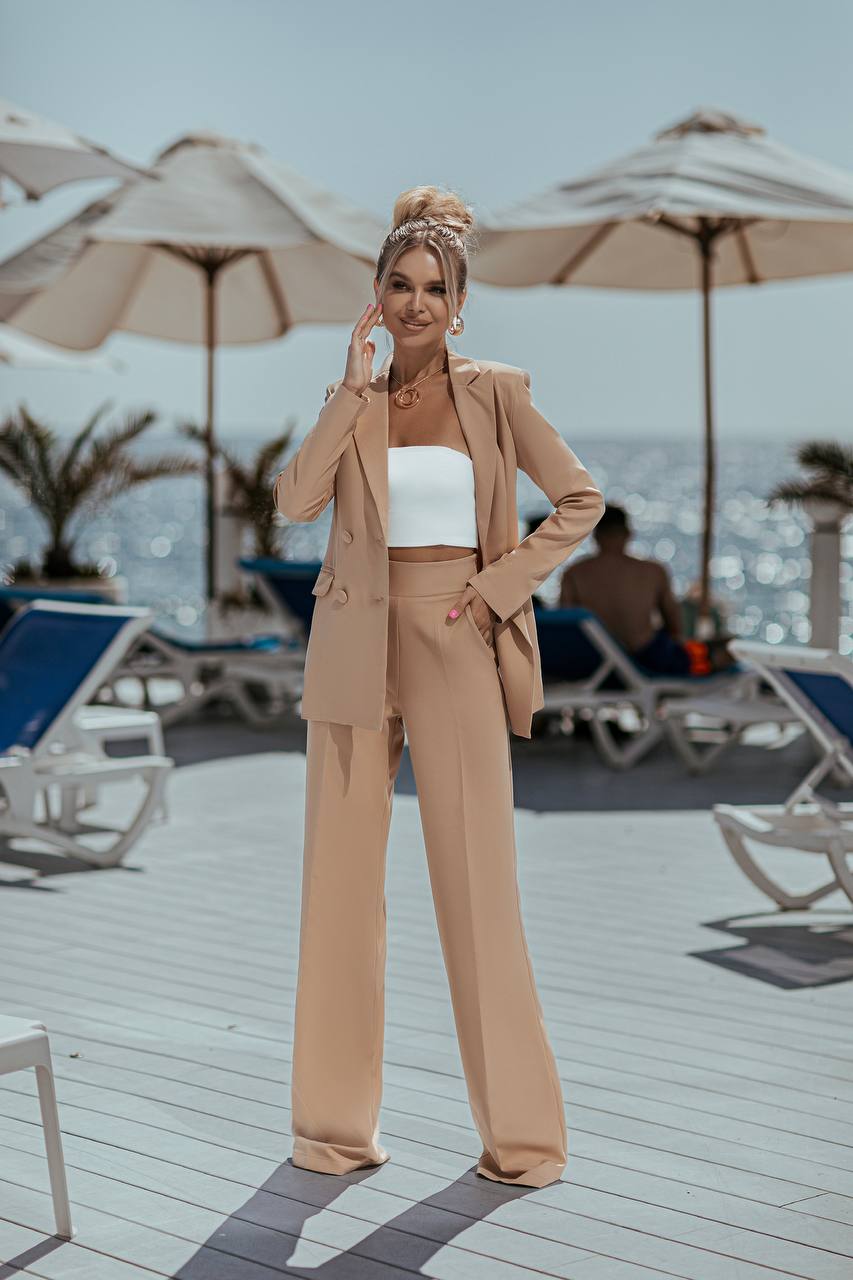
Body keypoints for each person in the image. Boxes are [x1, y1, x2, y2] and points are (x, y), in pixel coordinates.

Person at [273, 185, 605, 1188]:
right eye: (398, 284)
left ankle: (520, 1140)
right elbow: (295, 503)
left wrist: (495, 591)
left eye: (435, 287)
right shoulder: (361, 400)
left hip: (457, 636)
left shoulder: (495, 391)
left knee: (477, 891)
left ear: (460, 303)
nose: (416, 301)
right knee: (338, 891)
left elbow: (579, 499)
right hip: (350, 648)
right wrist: (348, 385)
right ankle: (332, 1129)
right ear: (374, 296)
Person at [559, 503, 693, 674]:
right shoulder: (653, 571)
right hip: (646, 659)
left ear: (596, 535)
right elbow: (674, 627)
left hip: (594, 662)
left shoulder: (574, 573)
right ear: (628, 534)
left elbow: (566, 624)